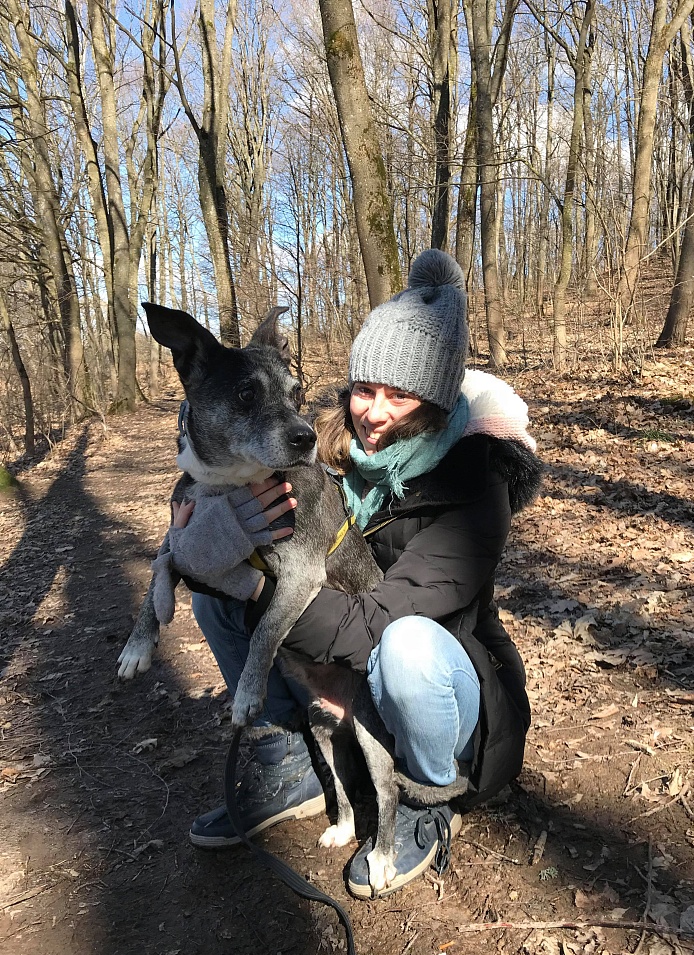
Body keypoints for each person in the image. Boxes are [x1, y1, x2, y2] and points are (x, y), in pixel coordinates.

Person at [173, 249, 542, 898]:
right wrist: (206, 545)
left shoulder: (476, 483)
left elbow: (377, 621)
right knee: (216, 605)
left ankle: (429, 795)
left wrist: (257, 585)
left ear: (434, 399)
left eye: (399, 394)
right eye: (363, 389)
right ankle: (291, 758)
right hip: (340, 654)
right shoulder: (320, 452)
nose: (372, 411)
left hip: (445, 683)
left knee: (405, 645)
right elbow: (214, 541)